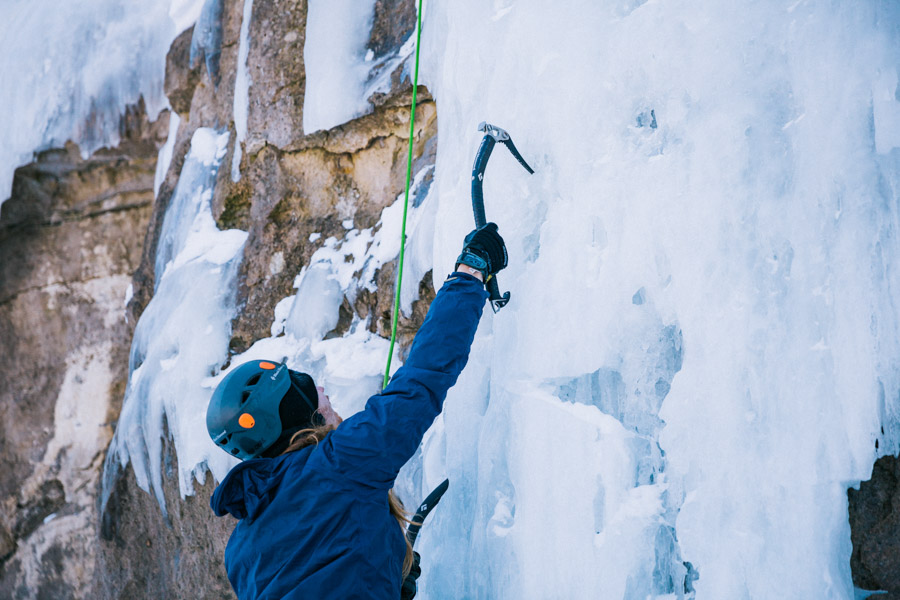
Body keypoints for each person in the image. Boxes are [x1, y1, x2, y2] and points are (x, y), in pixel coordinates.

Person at [207, 223, 508, 599]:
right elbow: (421, 381)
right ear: (293, 417)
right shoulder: (340, 462)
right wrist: (471, 271)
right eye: (307, 390)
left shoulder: (241, 550)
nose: (323, 391)